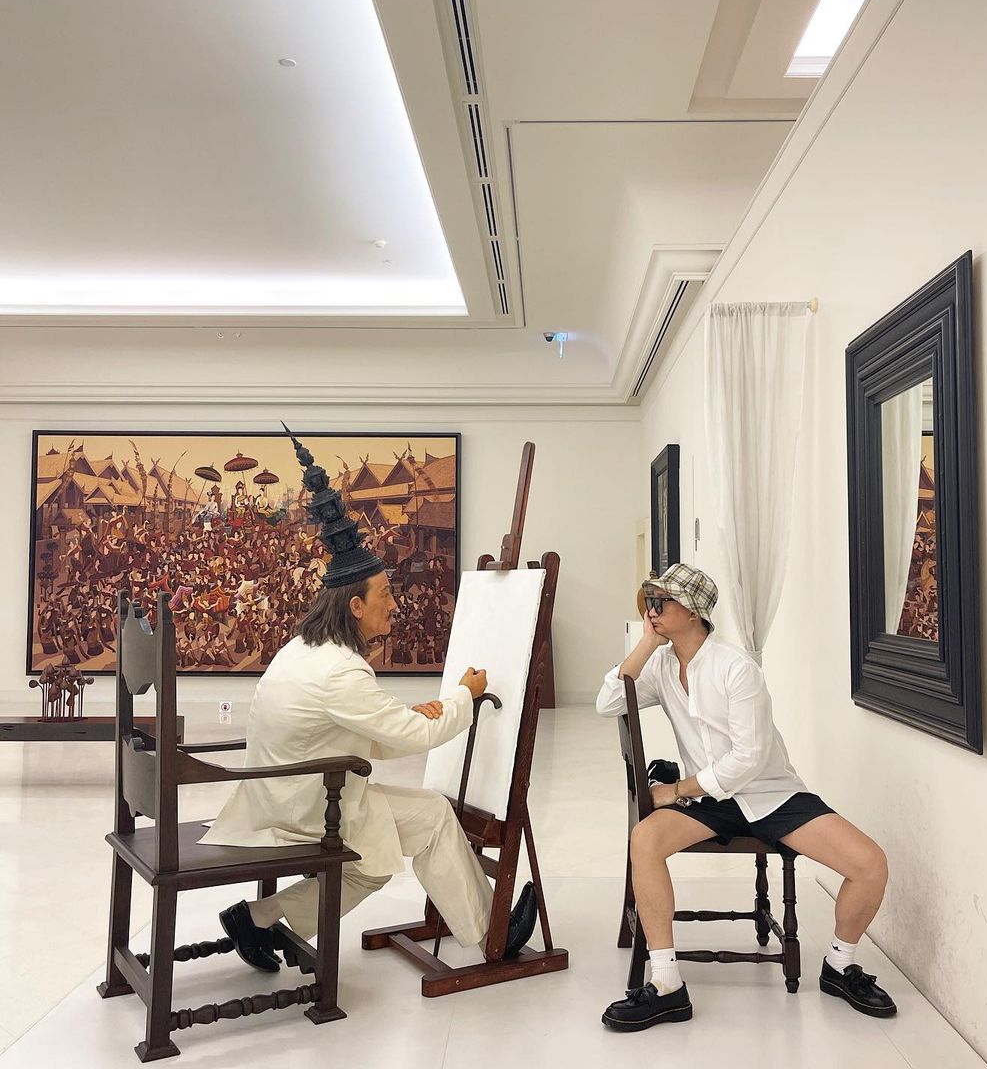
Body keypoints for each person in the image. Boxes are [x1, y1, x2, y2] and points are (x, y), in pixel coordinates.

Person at [203, 429, 537, 971]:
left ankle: (258, 918)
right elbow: (414, 738)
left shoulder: (303, 649)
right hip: (311, 802)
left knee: (376, 860)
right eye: (385, 595)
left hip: (288, 791)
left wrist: (403, 717)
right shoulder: (341, 670)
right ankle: (490, 937)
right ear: (355, 605)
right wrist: (465, 695)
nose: (394, 605)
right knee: (432, 815)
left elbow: (348, 727)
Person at [596, 563, 894, 1031]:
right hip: (711, 803)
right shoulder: (661, 666)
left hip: (771, 793)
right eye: (649, 602)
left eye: (661, 602)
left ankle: (840, 965)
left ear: (692, 612)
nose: (651, 610)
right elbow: (608, 702)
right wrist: (647, 644)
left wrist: (676, 790)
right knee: (645, 840)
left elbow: (749, 759)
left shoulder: (736, 668)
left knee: (870, 863)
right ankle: (667, 985)